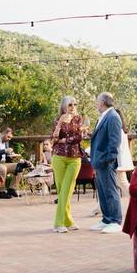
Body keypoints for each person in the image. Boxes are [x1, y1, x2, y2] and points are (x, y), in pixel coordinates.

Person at [89, 92, 123, 234]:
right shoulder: (103, 116)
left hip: (106, 161)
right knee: (102, 192)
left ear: (102, 102)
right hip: (99, 160)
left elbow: (115, 141)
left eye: (97, 101)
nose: (96, 104)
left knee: (110, 191)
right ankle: (106, 219)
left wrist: (108, 159)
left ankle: (116, 220)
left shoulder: (113, 117)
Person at [50, 97, 84, 230]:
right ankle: (68, 220)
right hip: (58, 157)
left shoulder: (78, 119)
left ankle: (58, 223)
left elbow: (79, 137)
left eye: (75, 104)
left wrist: (64, 140)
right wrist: (59, 124)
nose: (73, 106)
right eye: (70, 104)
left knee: (67, 189)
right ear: (64, 106)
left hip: (75, 158)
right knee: (62, 190)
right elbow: (53, 139)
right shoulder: (56, 120)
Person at [115, 108, 135, 193]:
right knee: (112, 183)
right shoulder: (121, 130)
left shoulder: (118, 130)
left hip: (119, 160)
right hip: (120, 159)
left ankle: (136, 197)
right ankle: (101, 205)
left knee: (122, 182)